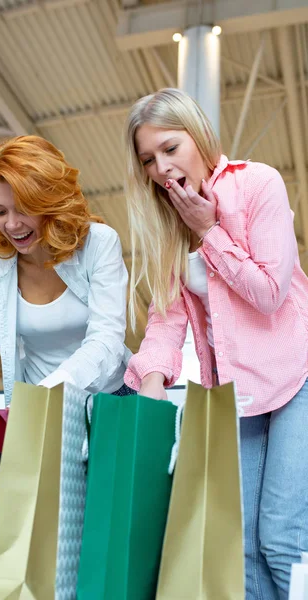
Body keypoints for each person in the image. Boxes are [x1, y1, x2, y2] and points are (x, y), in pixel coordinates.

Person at [123, 88, 308, 599]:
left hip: (297, 372)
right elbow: (166, 320)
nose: (161, 168)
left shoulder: (257, 185)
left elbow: (271, 293)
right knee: (240, 544)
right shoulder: (167, 224)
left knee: (282, 537)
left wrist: (210, 232)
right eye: (147, 159)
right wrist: (153, 381)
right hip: (235, 394)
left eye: (170, 148)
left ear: (199, 137)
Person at [0, 135, 132, 407]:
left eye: (23, 209)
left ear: (50, 202)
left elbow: (108, 339)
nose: (11, 224)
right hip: (38, 403)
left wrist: (51, 389)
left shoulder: (98, 243)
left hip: (109, 397)